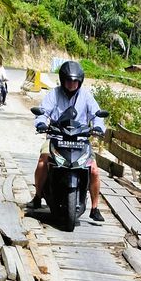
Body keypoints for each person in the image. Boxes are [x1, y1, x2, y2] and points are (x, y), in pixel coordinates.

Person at [30, 60, 106, 223]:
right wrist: (41, 123)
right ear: (63, 79)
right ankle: (37, 196)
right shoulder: (54, 94)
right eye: (69, 80)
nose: (72, 84)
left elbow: (97, 115)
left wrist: (98, 127)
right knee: (43, 160)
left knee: (93, 170)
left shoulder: (86, 96)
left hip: (80, 140)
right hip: (56, 137)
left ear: (80, 81)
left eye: (75, 81)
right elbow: (43, 112)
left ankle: (95, 207)